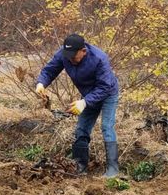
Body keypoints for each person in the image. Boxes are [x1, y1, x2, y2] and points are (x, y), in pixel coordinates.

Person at [35, 34, 120, 177]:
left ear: (84, 51)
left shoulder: (99, 58)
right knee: (81, 128)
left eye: (74, 57)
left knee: (106, 127)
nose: (71, 60)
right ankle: (80, 165)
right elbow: (49, 70)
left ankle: (112, 169)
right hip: (87, 96)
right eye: (68, 57)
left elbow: (104, 87)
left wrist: (84, 102)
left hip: (107, 94)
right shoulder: (64, 54)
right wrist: (41, 83)